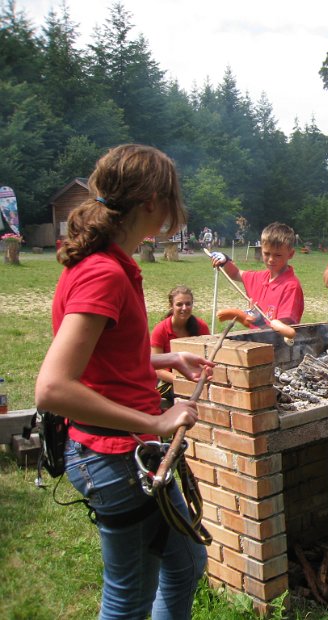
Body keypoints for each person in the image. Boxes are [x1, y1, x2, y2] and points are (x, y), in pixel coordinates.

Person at [34, 144, 214, 619]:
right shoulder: (104, 273)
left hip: (125, 449)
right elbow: (53, 388)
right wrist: (155, 423)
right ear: (153, 201)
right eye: (175, 198)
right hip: (112, 457)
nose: (178, 210)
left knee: (185, 562)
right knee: (128, 599)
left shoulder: (111, 263)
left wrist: (166, 358)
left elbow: (104, 359)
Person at [211, 222, 304, 325]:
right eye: (267, 253)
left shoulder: (291, 287)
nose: (271, 259)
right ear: (261, 251)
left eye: (278, 255)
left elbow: (285, 330)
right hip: (255, 340)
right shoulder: (260, 277)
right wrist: (225, 262)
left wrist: (259, 322)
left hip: (275, 341)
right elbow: (236, 273)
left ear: (290, 254)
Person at [151, 285, 211, 403]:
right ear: (171, 306)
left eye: (188, 304)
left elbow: (207, 357)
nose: (184, 308)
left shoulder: (201, 327)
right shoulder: (160, 330)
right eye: (179, 304)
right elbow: (157, 370)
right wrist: (181, 381)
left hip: (195, 377)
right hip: (168, 381)